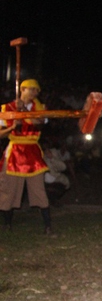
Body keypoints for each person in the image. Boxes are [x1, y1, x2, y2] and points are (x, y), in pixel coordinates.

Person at [0, 79, 52, 234]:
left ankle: (48, 226)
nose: (35, 93)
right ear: (22, 89)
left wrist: (23, 113)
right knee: (8, 190)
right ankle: (7, 224)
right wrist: (11, 127)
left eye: (37, 91)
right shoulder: (6, 108)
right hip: (14, 151)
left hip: (33, 152)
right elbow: (1, 134)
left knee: (39, 190)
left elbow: (40, 124)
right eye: (32, 89)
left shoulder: (41, 108)